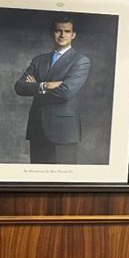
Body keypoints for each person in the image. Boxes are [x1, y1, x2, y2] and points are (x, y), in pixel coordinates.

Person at [13, 15, 92, 164]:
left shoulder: (80, 61)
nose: (62, 35)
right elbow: (19, 87)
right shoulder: (38, 60)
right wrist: (45, 85)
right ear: (52, 33)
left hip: (64, 131)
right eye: (58, 30)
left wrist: (35, 88)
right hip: (37, 128)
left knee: (63, 177)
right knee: (37, 176)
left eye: (67, 31)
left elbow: (65, 92)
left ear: (73, 35)